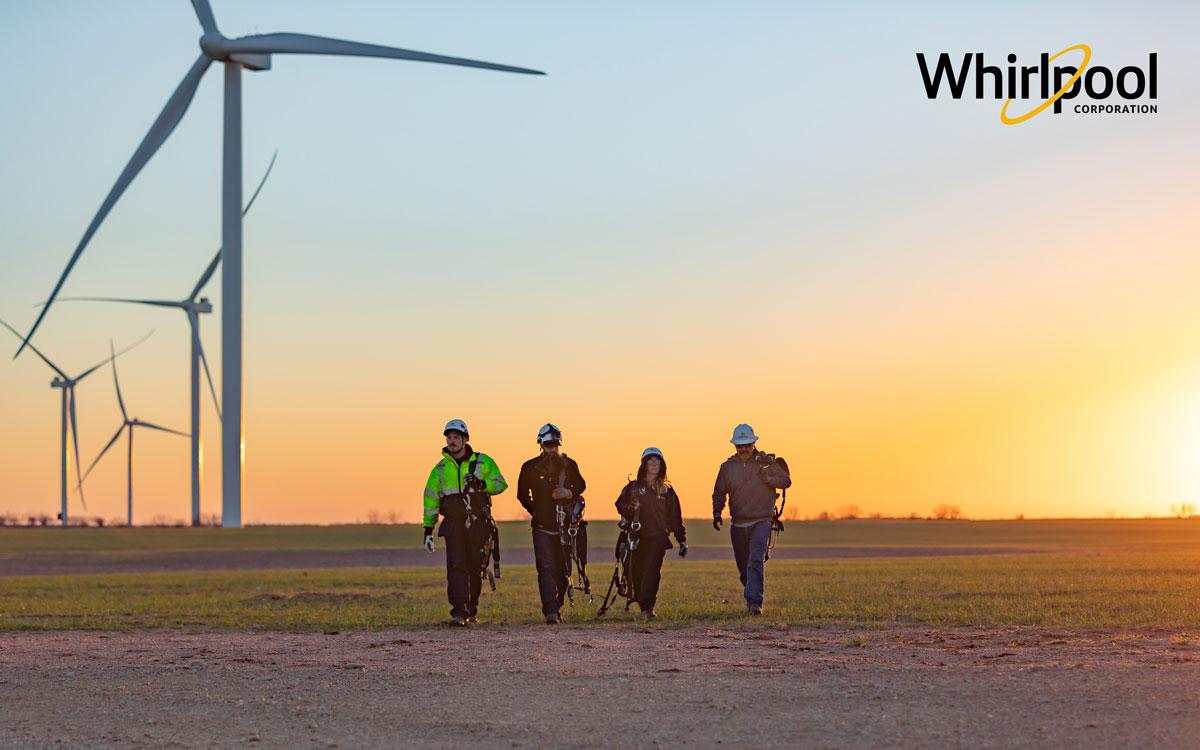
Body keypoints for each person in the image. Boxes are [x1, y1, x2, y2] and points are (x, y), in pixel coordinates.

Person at [422, 419, 508, 626]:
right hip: (453, 525)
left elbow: (501, 484)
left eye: (456, 437)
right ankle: (459, 612)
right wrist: (428, 530)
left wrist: (482, 484)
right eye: (449, 437)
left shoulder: (483, 462)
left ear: (465, 439)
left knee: (475, 567)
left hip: (478, 524)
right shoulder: (440, 469)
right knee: (456, 566)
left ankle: (472, 609)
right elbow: (430, 500)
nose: (451, 441)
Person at [711, 423, 791, 615]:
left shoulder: (767, 462)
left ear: (754, 443)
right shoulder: (727, 467)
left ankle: (755, 604)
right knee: (744, 568)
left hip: (762, 521)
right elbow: (719, 493)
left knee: (755, 560)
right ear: (735, 446)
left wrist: (769, 479)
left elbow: (786, 481)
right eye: (740, 445)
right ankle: (751, 591)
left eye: (747, 444)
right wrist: (717, 513)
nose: (744, 449)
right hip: (738, 523)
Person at [516, 423, 587, 624]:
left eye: (555, 445)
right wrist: (535, 510)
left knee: (564, 569)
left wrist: (569, 493)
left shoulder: (569, 464)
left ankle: (558, 604)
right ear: (540, 444)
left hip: (565, 528)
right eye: (548, 445)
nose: (552, 449)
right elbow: (522, 494)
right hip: (542, 527)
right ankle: (551, 612)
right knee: (545, 568)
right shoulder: (529, 467)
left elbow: (581, 485)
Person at [615, 447, 687, 620]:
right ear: (644, 465)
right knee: (637, 572)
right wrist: (631, 509)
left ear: (662, 465)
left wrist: (681, 540)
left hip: (658, 538)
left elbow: (675, 516)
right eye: (651, 461)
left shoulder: (667, 491)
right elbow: (619, 505)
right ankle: (641, 603)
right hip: (636, 537)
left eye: (657, 461)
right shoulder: (632, 488)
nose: (654, 464)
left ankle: (648, 607)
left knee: (652, 572)